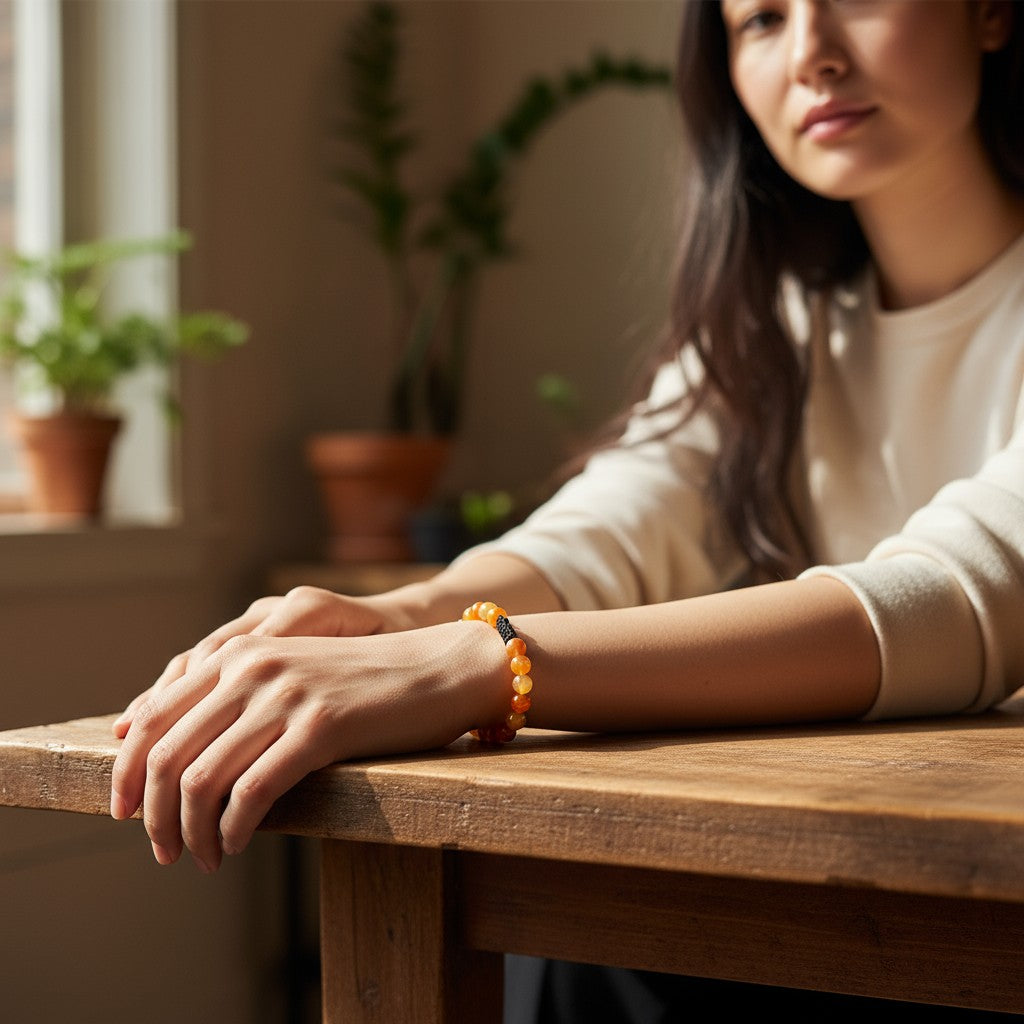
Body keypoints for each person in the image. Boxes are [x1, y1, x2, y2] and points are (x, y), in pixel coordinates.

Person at [110, 1, 1024, 1015]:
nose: (810, 52)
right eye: (758, 18)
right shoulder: (775, 329)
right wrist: (399, 615)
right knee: (587, 938)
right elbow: (614, 523)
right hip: (851, 887)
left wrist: (480, 660)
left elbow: (957, 596)